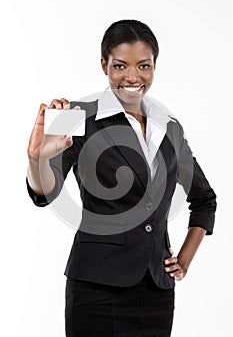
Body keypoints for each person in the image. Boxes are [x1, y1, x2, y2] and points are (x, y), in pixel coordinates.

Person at [26, 19, 217, 337]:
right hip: (96, 291)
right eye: (120, 65)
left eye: (144, 65)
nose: (133, 77)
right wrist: (37, 159)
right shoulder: (79, 115)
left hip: (156, 291)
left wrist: (183, 260)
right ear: (104, 65)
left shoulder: (167, 126)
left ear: (155, 66)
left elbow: (204, 199)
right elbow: (44, 192)